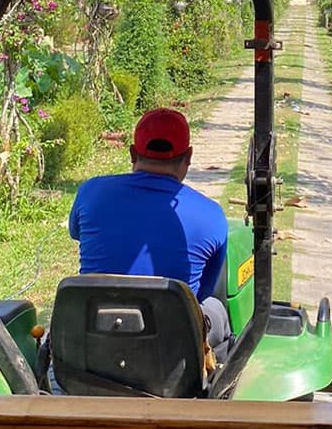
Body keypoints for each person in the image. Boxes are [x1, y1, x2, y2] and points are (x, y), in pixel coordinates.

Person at [68, 107, 231, 358]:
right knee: (216, 308)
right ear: (188, 157)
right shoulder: (212, 216)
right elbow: (202, 293)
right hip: (171, 350)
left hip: (95, 335)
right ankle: (212, 383)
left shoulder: (91, 192)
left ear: (133, 152)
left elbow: (77, 233)